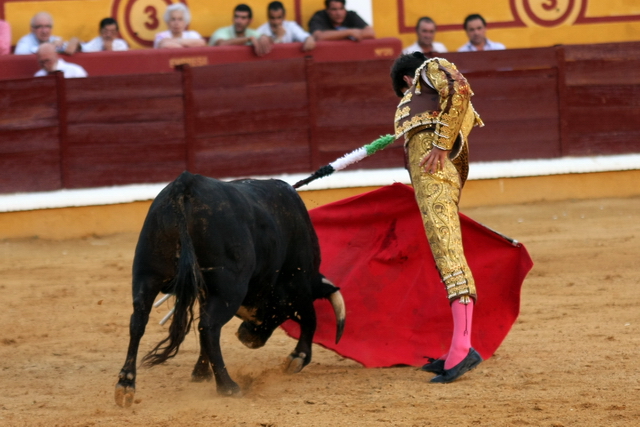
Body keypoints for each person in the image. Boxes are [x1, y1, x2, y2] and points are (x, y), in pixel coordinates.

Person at [390, 52, 484, 383]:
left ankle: (462, 348)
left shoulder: (427, 69)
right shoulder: (427, 96)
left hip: (437, 174)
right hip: (432, 178)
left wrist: (442, 145)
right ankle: (458, 344)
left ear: (405, 82)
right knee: (443, 252)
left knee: (448, 252)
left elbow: (460, 89)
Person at [308, 0, 375, 42]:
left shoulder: (351, 15)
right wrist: (349, 32)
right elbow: (318, 37)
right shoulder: (319, 16)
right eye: (334, 9)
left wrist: (334, 36)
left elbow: (370, 33)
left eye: (341, 9)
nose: (339, 13)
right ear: (327, 10)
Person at [14, 12, 79, 55]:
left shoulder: (56, 39)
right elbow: (20, 54)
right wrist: (51, 46)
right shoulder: (25, 41)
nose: (44, 31)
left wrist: (75, 42)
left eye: (47, 26)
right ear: (32, 29)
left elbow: (71, 48)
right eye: (39, 27)